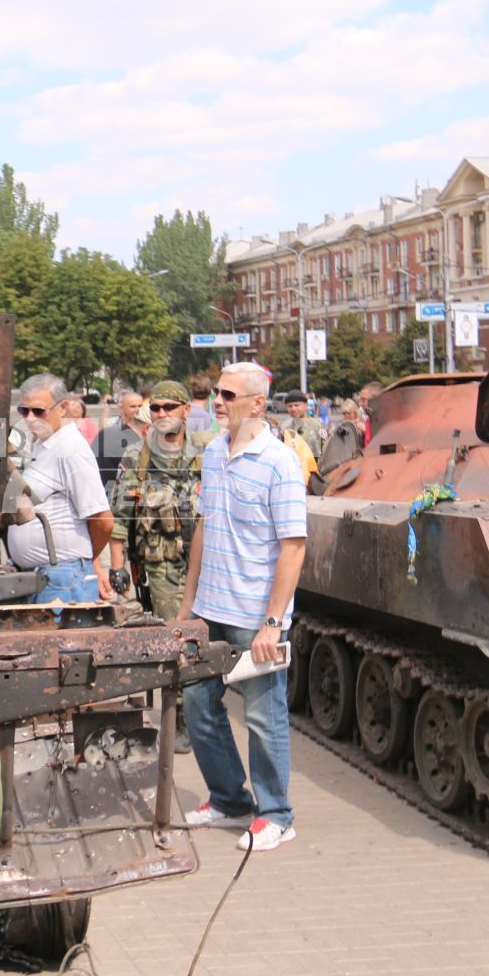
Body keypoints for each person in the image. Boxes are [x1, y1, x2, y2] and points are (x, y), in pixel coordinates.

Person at [180, 361, 307, 852]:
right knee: (198, 707)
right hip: (210, 609)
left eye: (228, 394)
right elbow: (204, 528)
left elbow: (293, 547)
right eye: (216, 392)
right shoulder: (213, 453)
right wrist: (189, 605)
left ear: (257, 403)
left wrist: (273, 622)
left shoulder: (280, 462)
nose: (218, 401)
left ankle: (275, 813)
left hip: (256, 615)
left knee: (263, 717)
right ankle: (228, 798)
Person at [8, 373, 116, 605]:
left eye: (38, 411)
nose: (30, 418)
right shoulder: (46, 445)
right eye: (23, 411)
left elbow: (103, 521)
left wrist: (81, 562)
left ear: (63, 407)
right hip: (51, 577)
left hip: (62, 580)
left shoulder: (70, 448)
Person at [109, 380, 204, 624]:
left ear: (186, 409)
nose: (162, 413)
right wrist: (117, 568)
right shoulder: (136, 457)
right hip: (163, 567)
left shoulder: (208, 452)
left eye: (170, 407)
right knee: (175, 635)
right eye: (155, 408)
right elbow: (120, 517)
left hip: (208, 565)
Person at [316, 398, 366, 480]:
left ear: (354, 412)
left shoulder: (360, 423)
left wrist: (360, 427)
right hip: (344, 456)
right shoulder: (343, 423)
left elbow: (367, 435)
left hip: (359, 455)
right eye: (344, 413)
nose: (346, 416)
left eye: (348, 413)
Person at [283, 391, 326, 457]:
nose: (293, 409)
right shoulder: (285, 426)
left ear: (306, 405)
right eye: (290, 406)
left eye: (297, 405)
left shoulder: (317, 426)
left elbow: (324, 452)